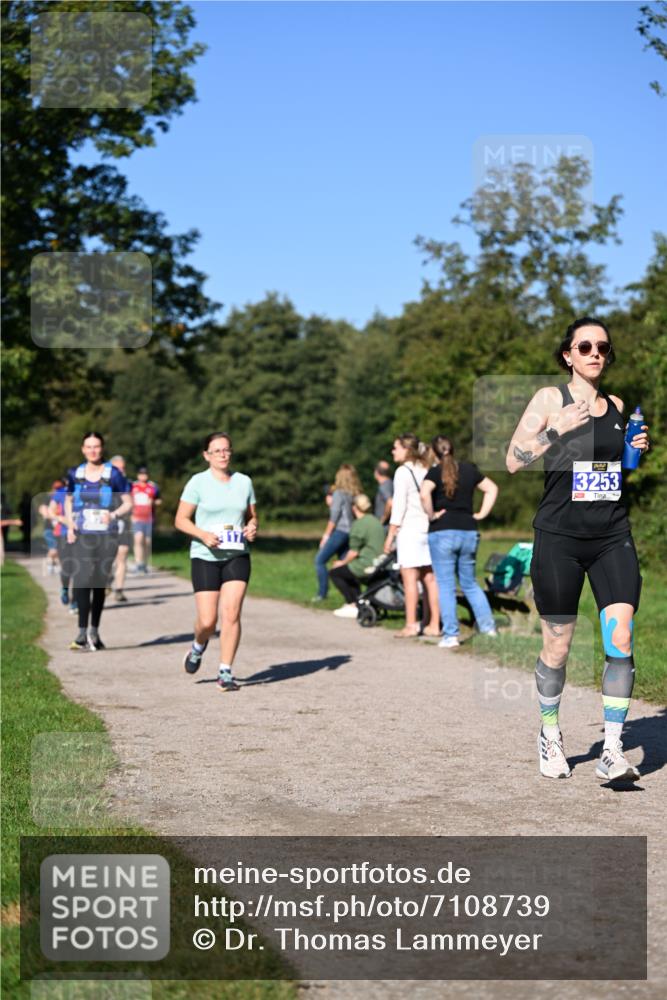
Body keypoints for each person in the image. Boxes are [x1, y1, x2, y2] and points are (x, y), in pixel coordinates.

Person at [506, 317, 650, 782]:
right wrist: (556, 430)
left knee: (621, 639)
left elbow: (610, 470)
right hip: (559, 537)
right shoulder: (551, 399)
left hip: (611, 534)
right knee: (558, 646)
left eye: (602, 347)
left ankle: (612, 749)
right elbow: (512, 460)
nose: (595, 354)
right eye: (584, 346)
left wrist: (633, 448)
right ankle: (550, 734)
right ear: (568, 355)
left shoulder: (617, 406)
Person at [175, 432, 257, 692]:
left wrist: (252, 527)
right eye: (217, 451)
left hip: (236, 555)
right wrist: (203, 535)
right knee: (208, 621)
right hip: (205, 556)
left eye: (226, 450)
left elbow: (252, 517)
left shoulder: (244, 482)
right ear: (206, 455)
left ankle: (225, 671)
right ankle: (198, 646)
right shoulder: (197, 482)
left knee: (231, 613)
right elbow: (180, 520)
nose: (223, 454)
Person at [421, 437, 499, 648]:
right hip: (468, 531)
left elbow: (424, 494)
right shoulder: (468, 469)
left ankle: (451, 636)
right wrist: (481, 514)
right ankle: (489, 629)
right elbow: (492, 488)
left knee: (446, 585)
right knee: (470, 583)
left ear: (434, 452)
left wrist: (431, 515)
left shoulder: (434, 472)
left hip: (442, 532)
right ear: (452, 450)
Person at [65, 433, 132, 650]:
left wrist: (113, 515)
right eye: (88, 447)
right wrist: (70, 525)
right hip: (82, 535)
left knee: (99, 581)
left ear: (102, 448)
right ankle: (81, 633)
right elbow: (68, 500)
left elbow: (128, 502)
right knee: (82, 579)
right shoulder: (75, 473)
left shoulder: (114, 474)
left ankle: (94, 631)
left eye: (96, 446)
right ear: (83, 449)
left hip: (107, 536)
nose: (92, 450)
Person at [383, 434, 441, 638]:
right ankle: (433, 623)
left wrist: (390, 536)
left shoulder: (403, 472)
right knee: (430, 578)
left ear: (407, 449)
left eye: (396, 447)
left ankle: (411, 624)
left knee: (410, 579)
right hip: (429, 528)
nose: (393, 451)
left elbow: (398, 506)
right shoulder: (427, 468)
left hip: (410, 530)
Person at [329, 494, 385, 618]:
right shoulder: (376, 521)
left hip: (367, 563)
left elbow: (353, 552)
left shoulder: (359, 524)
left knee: (335, 573)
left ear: (354, 507)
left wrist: (341, 562)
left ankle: (352, 604)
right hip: (381, 562)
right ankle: (360, 601)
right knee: (349, 572)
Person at [313, 464, 362, 602]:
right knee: (345, 565)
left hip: (341, 531)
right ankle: (355, 595)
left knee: (319, 561)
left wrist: (326, 536)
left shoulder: (339, 493)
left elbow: (334, 518)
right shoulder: (354, 493)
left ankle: (322, 594)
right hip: (351, 531)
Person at [48, 478, 77, 612]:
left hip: (83, 534)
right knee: (67, 568)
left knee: (80, 568)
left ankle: (75, 600)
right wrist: (61, 519)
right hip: (64, 534)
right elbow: (50, 511)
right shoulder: (60, 493)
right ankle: (65, 588)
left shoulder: (87, 491)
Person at [110, 455, 133, 602]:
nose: (121, 471)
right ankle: (106, 580)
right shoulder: (104, 483)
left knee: (122, 554)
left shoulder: (128, 484)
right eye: (118, 468)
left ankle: (119, 590)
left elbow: (132, 503)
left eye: (123, 468)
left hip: (123, 523)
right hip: (106, 525)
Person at [131, 466, 161, 574]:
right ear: (138, 475)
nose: (143, 476)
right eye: (141, 474)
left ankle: (145, 563)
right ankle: (138, 563)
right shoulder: (133, 486)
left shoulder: (153, 486)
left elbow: (159, 500)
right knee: (138, 538)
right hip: (136, 517)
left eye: (145, 474)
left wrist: (153, 502)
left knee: (147, 541)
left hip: (148, 517)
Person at [373, 460, 394, 528]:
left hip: (384, 526)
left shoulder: (383, 486)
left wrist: (382, 520)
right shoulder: (391, 483)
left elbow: (390, 503)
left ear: (376, 472)